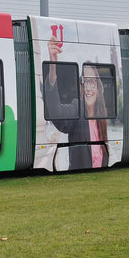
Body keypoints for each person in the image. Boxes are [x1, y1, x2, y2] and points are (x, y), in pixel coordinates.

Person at [42, 31, 109, 169]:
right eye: (85, 81)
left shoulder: (102, 116)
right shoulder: (76, 109)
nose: (88, 87)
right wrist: (53, 65)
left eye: (92, 82)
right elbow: (56, 112)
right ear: (81, 87)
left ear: (98, 87)